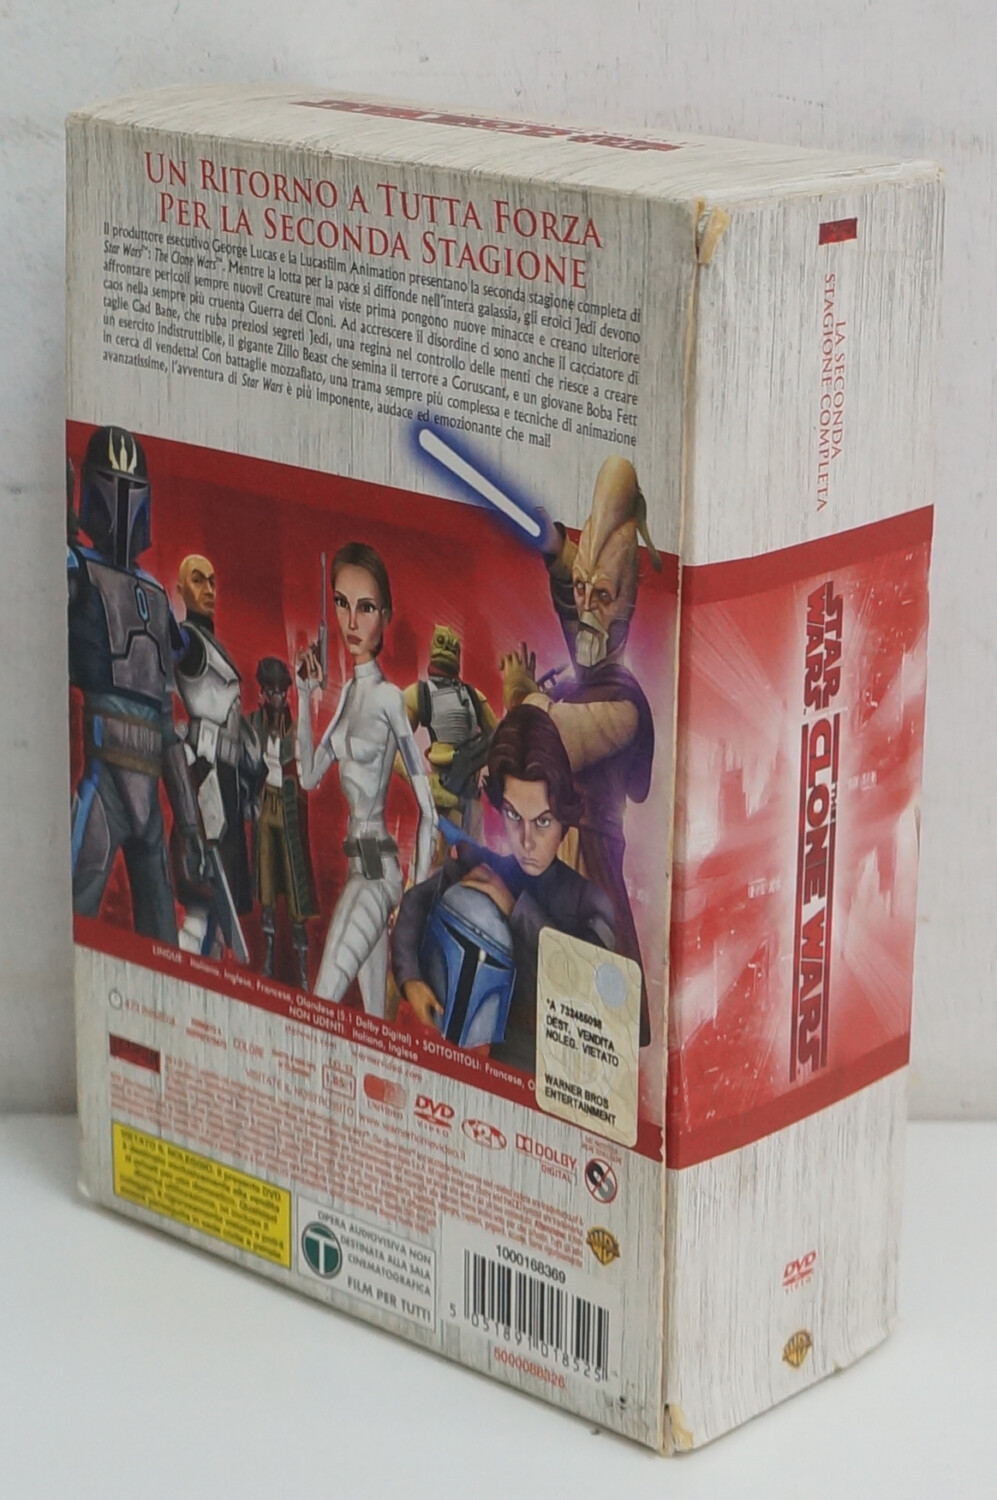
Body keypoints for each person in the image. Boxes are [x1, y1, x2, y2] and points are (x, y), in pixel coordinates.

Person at [501, 454, 656, 1044]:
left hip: (587, 864)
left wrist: (520, 693)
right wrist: (555, 550)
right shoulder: (583, 678)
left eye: (602, 597)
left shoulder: (621, 705)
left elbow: (549, 739)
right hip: (551, 856)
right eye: (581, 592)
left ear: (624, 606)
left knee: (589, 1011)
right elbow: (579, 596)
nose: (585, 607)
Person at [392, 703, 615, 1073]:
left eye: (542, 821)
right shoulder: (489, 868)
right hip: (500, 1058)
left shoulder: (590, 900)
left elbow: (594, 985)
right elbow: (416, 902)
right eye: (513, 816)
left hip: (570, 1066)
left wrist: (514, 908)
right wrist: (411, 978)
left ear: (564, 819)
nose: (526, 840)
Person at [68, 424, 207, 940]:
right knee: (73, 913)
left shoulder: (155, 596)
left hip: (148, 786)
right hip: (104, 780)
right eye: (114, 486)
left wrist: (189, 825)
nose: (122, 503)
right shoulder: (76, 569)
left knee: (161, 940)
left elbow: (167, 724)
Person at [296, 541, 437, 1013]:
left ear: (386, 616)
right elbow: (309, 775)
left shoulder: (390, 699)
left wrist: (416, 903)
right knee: (375, 1019)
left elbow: (429, 811)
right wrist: (303, 697)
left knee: (320, 1004)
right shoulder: (347, 697)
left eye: (366, 608)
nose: (351, 622)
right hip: (358, 865)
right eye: (342, 603)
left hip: (378, 874)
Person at [173, 554, 261, 960]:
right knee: (203, 893)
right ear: (181, 589)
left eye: (212, 581)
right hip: (205, 770)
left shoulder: (210, 643)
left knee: (223, 909)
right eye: (198, 580)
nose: (208, 589)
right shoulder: (187, 641)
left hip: (229, 776)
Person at [248, 656, 316, 988]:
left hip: (289, 805)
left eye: (282, 691)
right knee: (266, 881)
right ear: (263, 692)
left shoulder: (295, 730)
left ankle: (302, 972)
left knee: (294, 885)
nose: (278, 697)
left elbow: (306, 773)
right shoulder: (253, 725)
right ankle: (269, 959)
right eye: (272, 691)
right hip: (263, 805)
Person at [400, 623, 497, 841]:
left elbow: (501, 738)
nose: (447, 649)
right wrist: (421, 782)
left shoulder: (473, 696)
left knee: (476, 858)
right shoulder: (420, 694)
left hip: (471, 797)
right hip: (441, 793)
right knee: (433, 856)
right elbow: (392, 746)